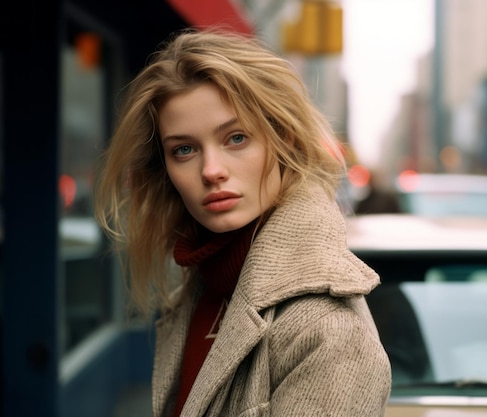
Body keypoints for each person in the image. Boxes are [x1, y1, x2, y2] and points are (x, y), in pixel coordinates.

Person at [94, 29, 391, 417]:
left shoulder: (328, 332)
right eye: (184, 149)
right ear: (164, 169)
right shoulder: (201, 289)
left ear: (282, 139)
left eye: (236, 138)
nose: (212, 170)